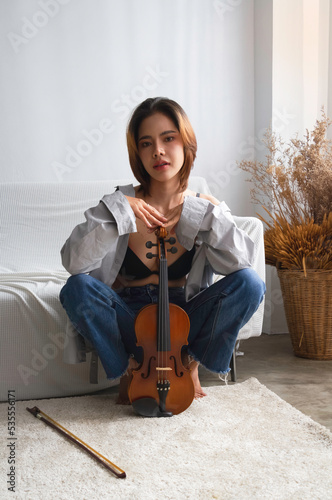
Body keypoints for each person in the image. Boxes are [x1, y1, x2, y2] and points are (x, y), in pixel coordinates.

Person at [60, 97, 265, 403]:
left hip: (184, 321)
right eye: (146, 143)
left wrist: (210, 215)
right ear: (137, 154)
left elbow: (243, 266)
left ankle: (189, 364)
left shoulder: (205, 207)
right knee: (76, 288)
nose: (157, 150)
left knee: (251, 283)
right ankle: (130, 370)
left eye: (168, 138)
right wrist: (119, 210)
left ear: (186, 143)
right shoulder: (119, 204)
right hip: (130, 321)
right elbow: (73, 263)